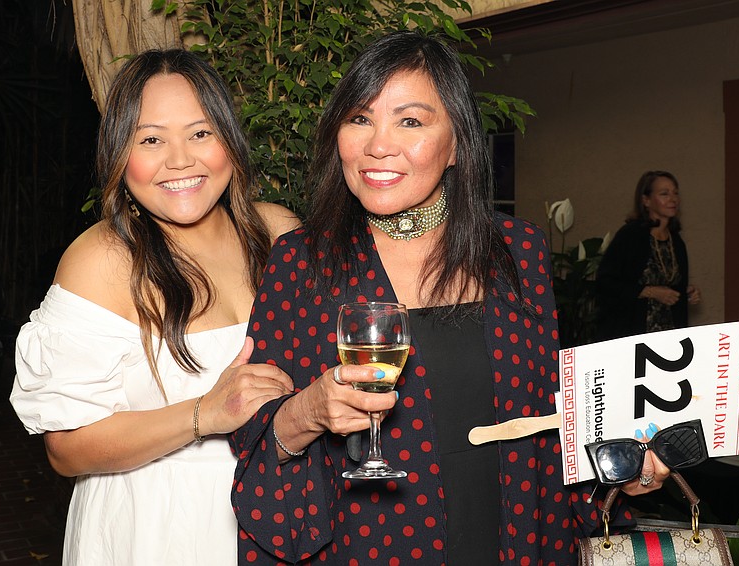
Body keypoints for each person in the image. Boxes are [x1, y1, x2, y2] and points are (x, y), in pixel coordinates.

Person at [230, 31, 668, 565]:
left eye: (410, 121)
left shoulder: (517, 251)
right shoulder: (300, 263)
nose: (378, 144)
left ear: (458, 142)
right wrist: (306, 413)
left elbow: (553, 423)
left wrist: (621, 475)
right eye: (360, 118)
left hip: (515, 541)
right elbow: (258, 440)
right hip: (368, 546)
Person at [9, 49, 298, 565]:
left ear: (229, 140)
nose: (180, 159)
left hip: (285, 508)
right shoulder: (101, 261)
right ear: (121, 156)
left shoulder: (278, 232)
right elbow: (66, 449)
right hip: (156, 526)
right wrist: (205, 413)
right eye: (150, 139)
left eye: (200, 132)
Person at [595, 170, 701, 341]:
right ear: (646, 200)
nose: (673, 199)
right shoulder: (631, 235)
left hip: (669, 335)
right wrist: (649, 292)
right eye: (664, 194)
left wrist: (687, 292)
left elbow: (671, 284)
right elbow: (605, 282)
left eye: (675, 193)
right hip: (632, 333)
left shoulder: (676, 241)